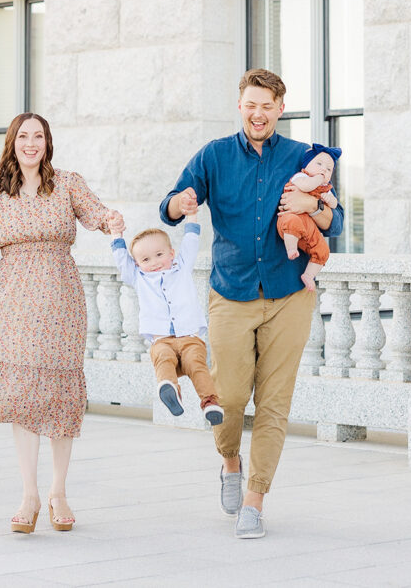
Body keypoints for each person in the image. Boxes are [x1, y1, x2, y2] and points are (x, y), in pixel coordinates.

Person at [160, 68, 344, 539]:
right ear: (240, 106)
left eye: (267, 105)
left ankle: (255, 500)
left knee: (274, 404)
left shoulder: (305, 157)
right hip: (232, 292)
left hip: (289, 295)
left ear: (280, 109)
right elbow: (171, 204)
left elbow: (335, 221)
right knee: (229, 398)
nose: (258, 113)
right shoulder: (214, 156)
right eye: (250, 104)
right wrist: (178, 205)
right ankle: (229, 462)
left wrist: (312, 209)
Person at [0, 112, 122, 534]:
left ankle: (58, 492)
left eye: (38, 136)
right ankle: (29, 494)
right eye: (24, 136)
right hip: (14, 299)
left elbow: (96, 213)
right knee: (23, 392)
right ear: (12, 142)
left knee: (57, 391)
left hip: (61, 298)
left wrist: (112, 219)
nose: (31, 143)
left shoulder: (67, 183)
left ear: (47, 142)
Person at [108, 204, 224, 425]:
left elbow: (190, 243)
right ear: (138, 264)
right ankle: (170, 389)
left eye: (159, 255)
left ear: (171, 253)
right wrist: (116, 235)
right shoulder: (139, 278)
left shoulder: (181, 268)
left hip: (190, 337)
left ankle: (210, 402)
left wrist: (191, 215)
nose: (154, 263)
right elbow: (122, 262)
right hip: (161, 339)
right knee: (163, 358)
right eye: (145, 260)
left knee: (196, 364)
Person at [277, 144, 341, 291]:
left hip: (309, 225)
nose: (323, 169)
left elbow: (335, 208)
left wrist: (329, 200)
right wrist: (319, 179)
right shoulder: (301, 176)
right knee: (291, 223)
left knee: (323, 250)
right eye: (319, 164)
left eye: (328, 169)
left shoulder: (326, 188)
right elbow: (306, 186)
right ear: (307, 165)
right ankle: (291, 248)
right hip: (292, 215)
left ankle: (308, 275)